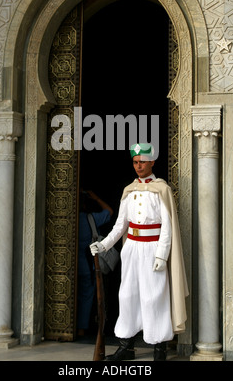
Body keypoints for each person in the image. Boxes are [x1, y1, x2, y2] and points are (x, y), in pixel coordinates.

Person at [90, 143, 188, 361]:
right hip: (132, 249)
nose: (138, 166)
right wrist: (103, 245)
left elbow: (167, 227)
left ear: (152, 162)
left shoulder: (161, 189)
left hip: (153, 249)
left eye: (142, 161)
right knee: (128, 296)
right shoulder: (129, 190)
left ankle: (159, 349)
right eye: (135, 162)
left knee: (154, 297)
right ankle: (127, 346)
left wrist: (162, 255)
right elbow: (120, 226)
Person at [77, 190, 113, 337]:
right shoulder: (90, 219)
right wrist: (96, 197)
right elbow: (109, 212)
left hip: (67, 265)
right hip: (87, 265)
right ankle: (81, 328)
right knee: (86, 295)